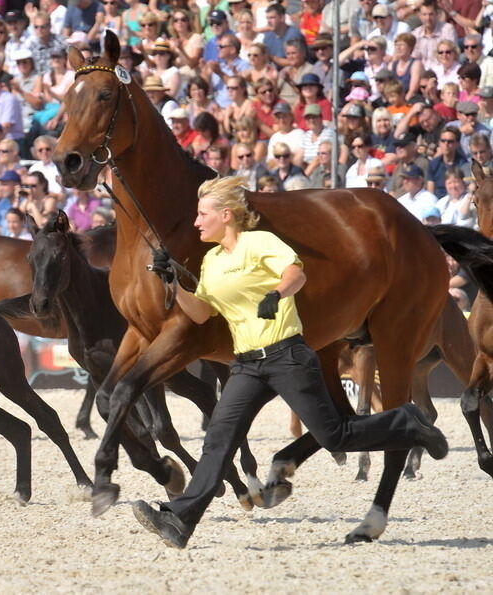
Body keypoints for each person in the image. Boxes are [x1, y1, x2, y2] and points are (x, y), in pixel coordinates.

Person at [133, 176, 449, 549]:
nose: (196, 222)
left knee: (335, 435)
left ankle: (407, 421)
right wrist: (173, 282)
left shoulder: (259, 243)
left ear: (226, 215)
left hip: (287, 356)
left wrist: (276, 293)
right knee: (218, 440)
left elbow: (295, 274)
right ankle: (179, 522)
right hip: (247, 364)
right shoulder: (214, 261)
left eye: (203, 215)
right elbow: (201, 313)